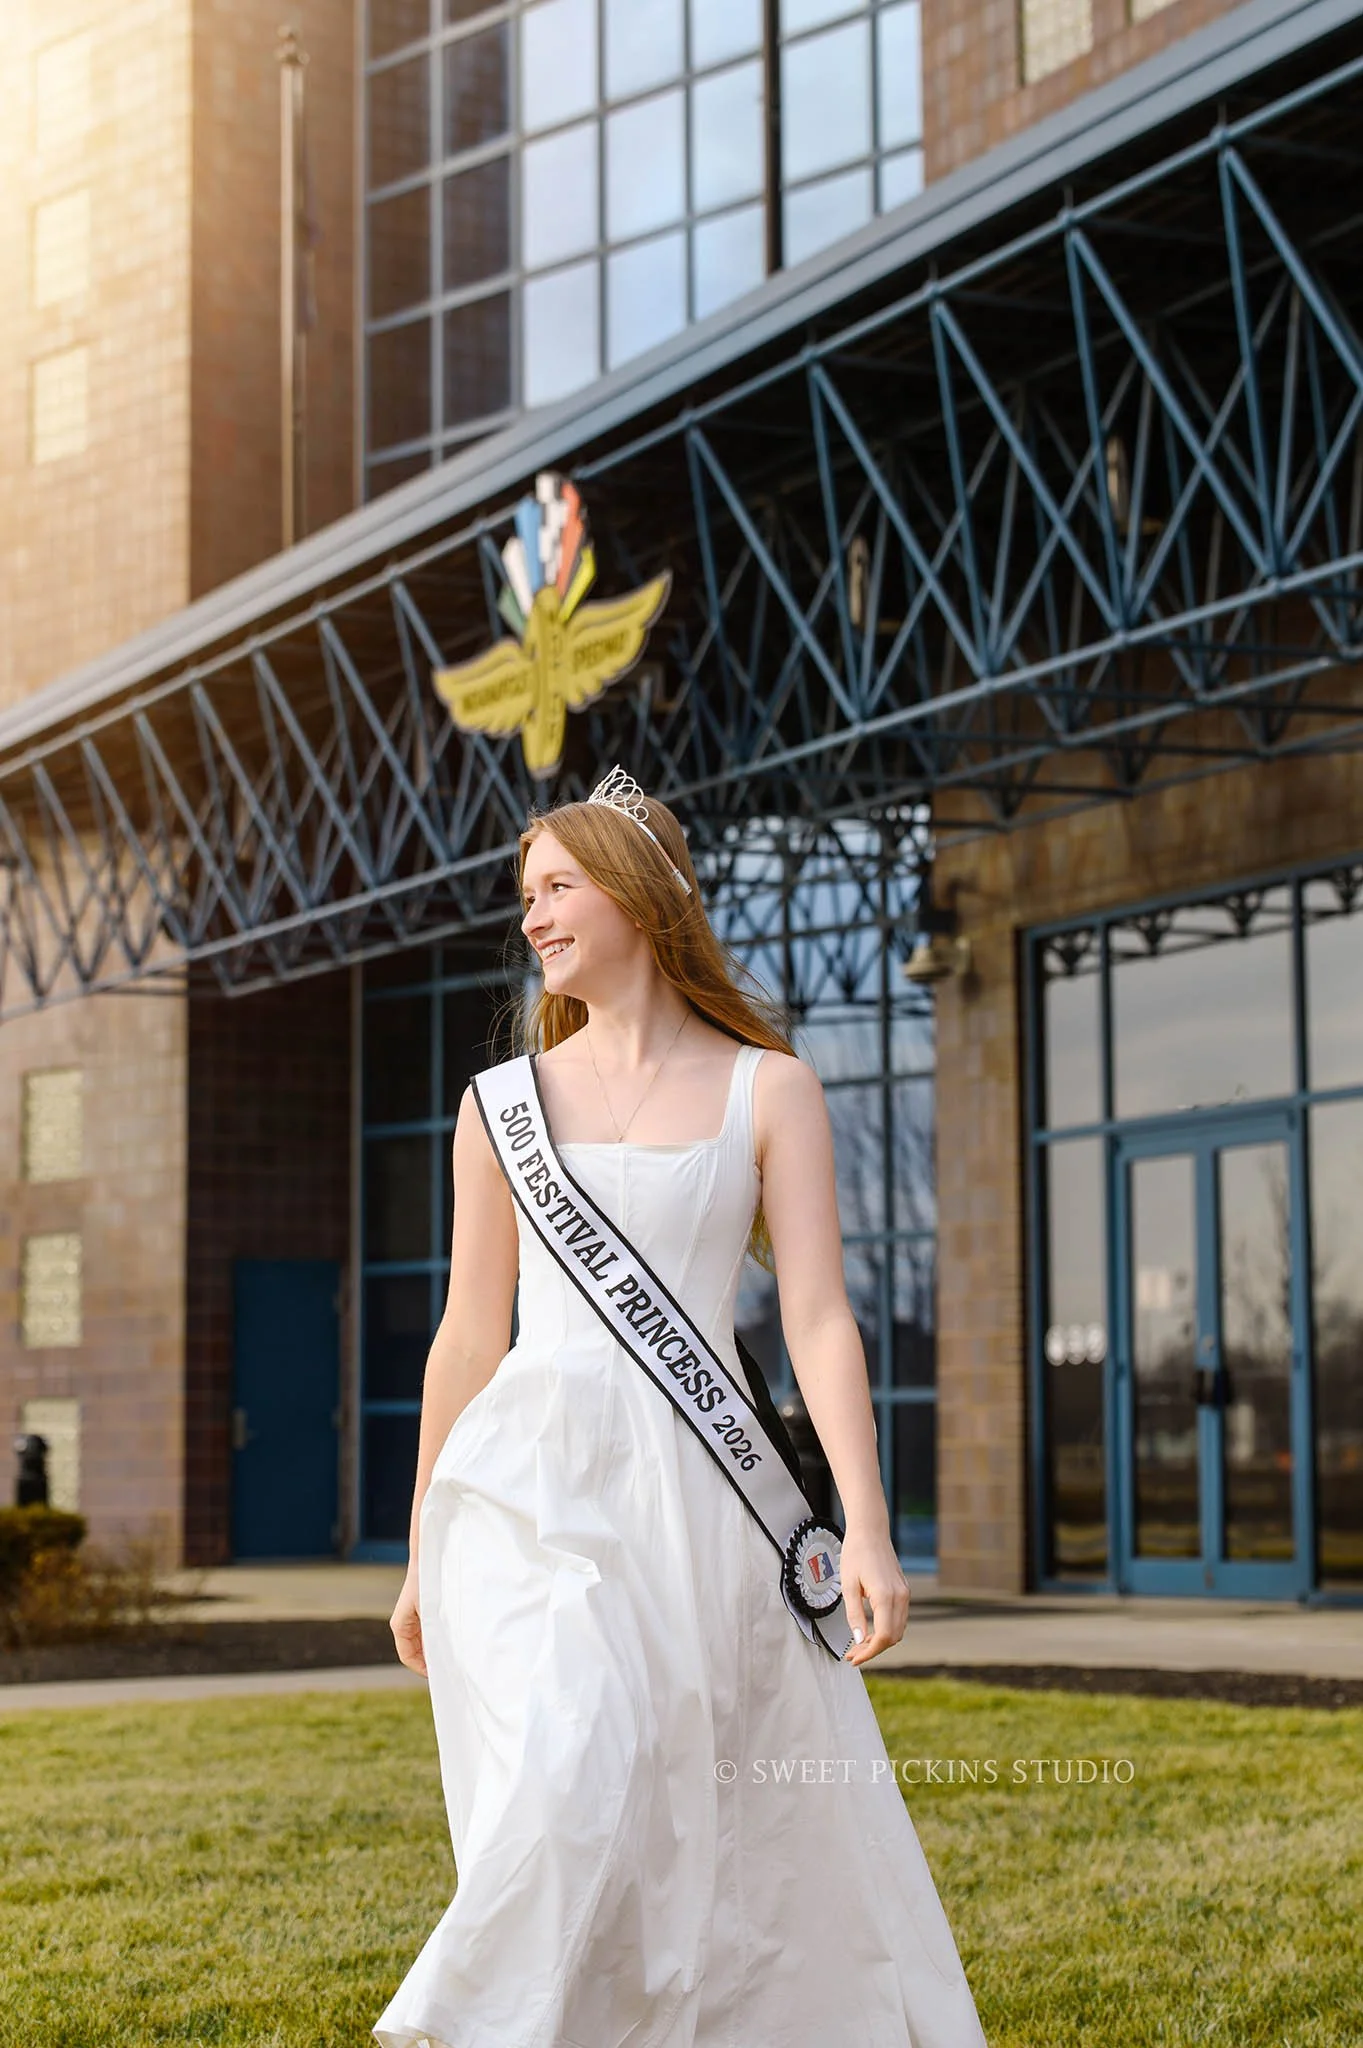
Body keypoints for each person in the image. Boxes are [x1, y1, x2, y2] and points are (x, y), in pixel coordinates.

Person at [373, 769, 989, 2048]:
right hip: (531, 1487)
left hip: (707, 1498)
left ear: (640, 895)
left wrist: (865, 1528)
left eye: (556, 886)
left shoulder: (770, 1091)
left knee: (726, 1815)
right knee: (567, 1770)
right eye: (525, 893)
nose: (532, 917)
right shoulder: (499, 1109)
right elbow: (466, 1333)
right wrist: (422, 1546)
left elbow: (818, 1317)